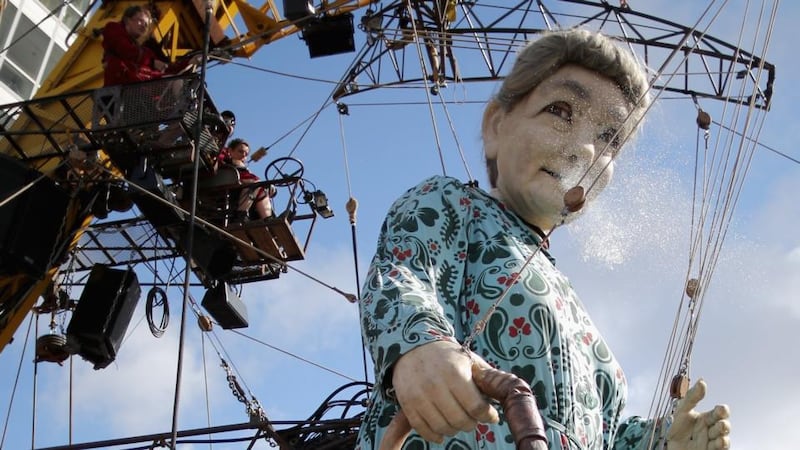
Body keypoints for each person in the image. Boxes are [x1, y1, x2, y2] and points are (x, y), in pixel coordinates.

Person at [356, 29, 731, 450]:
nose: (586, 150)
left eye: (609, 137)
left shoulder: (576, 313)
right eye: (561, 110)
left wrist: (661, 442)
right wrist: (421, 346)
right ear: (496, 126)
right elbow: (405, 275)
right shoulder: (451, 204)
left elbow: (600, 435)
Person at [101, 5, 168, 86]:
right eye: (140, 21)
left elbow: (163, 69)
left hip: (135, 89)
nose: (144, 26)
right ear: (127, 20)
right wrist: (152, 62)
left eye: (146, 25)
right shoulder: (112, 28)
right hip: (119, 87)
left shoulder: (143, 50)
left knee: (173, 79)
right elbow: (125, 50)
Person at [220, 138, 274, 220]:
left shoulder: (242, 168)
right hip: (229, 186)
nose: (243, 155)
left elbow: (252, 179)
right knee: (256, 185)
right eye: (240, 151)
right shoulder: (227, 161)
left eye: (246, 154)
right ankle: (241, 214)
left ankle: (268, 219)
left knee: (262, 191)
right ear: (230, 151)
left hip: (243, 188)